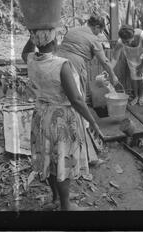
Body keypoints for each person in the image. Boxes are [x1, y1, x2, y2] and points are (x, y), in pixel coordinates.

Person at [22, 29, 104, 211]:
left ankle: (57, 198)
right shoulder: (61, 65)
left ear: (36, 40)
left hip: (42, 116)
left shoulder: (31, 59)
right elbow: (76, 100)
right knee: (63, 163)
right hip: (61, 121)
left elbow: (25, 51)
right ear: (55, 40)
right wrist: (94, 123)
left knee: (49, 160)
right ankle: (66, 207)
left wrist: (33, 34)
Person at [55, 14, 118, 98]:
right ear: (96, 27)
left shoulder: (72, 30)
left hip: (58, 62)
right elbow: (104, 61)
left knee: (61, 91)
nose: (99, 34)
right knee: (77, 94)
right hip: (74, 65)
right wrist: (113, 76)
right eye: (100, 31)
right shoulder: (93, 39)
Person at [111, 25, 143, 106]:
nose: (125, 43)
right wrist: (109, 69)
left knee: (141, 74)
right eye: (124, 41)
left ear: (133, 36)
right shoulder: (120, 42)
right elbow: (115, 58)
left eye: (127, 41)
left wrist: (141, 66)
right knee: (133, 74)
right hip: (131, 55)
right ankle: (136, 96)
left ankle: (141, 96)